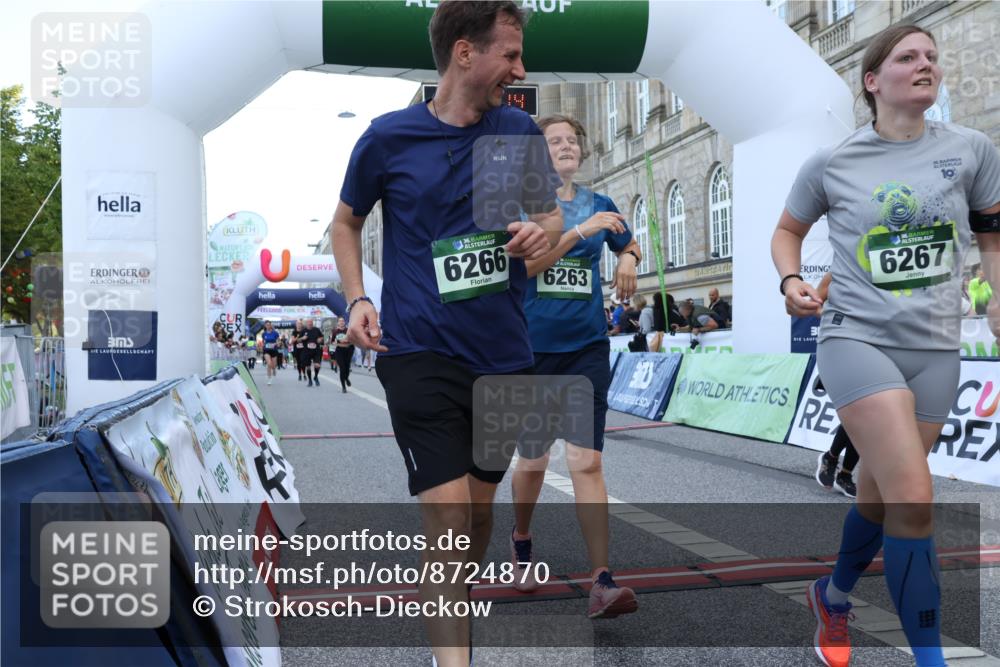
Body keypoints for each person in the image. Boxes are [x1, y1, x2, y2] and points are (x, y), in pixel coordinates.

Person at [330, 3, 562, 664]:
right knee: (451, 517)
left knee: (480, 517)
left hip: (503, 355)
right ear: (465, 53)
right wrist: (356, 301)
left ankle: (451, 610)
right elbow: (345, 223)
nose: (520, 69)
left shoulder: (517, 132)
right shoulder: (387, 137)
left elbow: (549, 229)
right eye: (510, 55)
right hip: (418, 351)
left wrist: (538, 237)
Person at [771, 23, 1000, 667]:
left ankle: (834, 596)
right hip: (855, 337)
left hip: (935, 345)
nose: (925, 63)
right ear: (873, 81)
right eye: (908, 56)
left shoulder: (972, 149)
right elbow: (786, 232)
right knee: (914, 496)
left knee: (879, 495)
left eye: (932, 55)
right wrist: (791, 280)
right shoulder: (833, 162)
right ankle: (929, 659)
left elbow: (991, 233)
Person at [510, 113, 640, 618]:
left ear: (581, 153)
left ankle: (601, 580)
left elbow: (626, 239)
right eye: (553, 140)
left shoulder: (600, 203)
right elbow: (524, 269)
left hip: (585, 345)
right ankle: (522, 538)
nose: (565, 146)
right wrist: (576, 232)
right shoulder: (524, 206)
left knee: (587, 461)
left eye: (572, 141)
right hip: (532, 350)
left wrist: (628, 257)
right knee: (534, 462)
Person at [331, 317, 353, 393]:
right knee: (342, 368)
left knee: (347, 367)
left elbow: (353, 340)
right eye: (340, 321)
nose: (341, 322)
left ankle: (346, 378)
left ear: (345, 322)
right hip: (339, 351)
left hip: (348, 350)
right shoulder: (335, 331)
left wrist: (347, 341)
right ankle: (343, 387)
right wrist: (337, 343)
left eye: (343, 321)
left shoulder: (348, 330)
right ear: (338, 323)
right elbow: (333, 342)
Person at [301, 317, 325, 387]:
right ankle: (310, 380)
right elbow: (298, 340)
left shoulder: (316, 330)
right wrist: (302, 338)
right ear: (306, 324)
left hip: (316, 350)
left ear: (312, 323)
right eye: (308, 323)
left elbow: (322, 337)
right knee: (308, 367)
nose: (310, 324)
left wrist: (320, 339)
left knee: (317, 365)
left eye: (311, 323)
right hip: (307, 351)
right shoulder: (303, 331)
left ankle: (316, 377)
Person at [260, 321, 280, 386]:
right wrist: (262, 345)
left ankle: (274, 369)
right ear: (265, 326)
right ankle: (269, 379)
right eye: (267, 325)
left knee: (274, 365)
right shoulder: (264, 334)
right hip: (266, 350)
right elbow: (263, 342)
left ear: (271, 325)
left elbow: (278, 342)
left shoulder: (275, 333)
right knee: (269, 363)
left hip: (274, 350)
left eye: (269, 324)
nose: (268, 326)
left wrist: (276, 344)